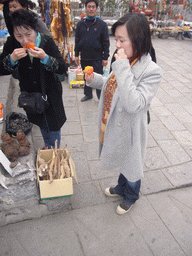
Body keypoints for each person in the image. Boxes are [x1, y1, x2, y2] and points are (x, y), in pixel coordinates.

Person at [84, 13, 162, 215]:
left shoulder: (151, 71)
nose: (116, 44)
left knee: (131, 164)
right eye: (115, 39)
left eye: (122, 40)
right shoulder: (124, 59)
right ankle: (121, 187)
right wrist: (93, 79)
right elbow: (112, 83)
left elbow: (134, 103)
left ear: (138, 39)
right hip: (115, 122)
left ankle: (131, 196)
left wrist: (121, 66)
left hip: (131, 130)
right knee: (122, 159)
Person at [1, 9, 67, 149]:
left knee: (54, 126)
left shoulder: (47, 41)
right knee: (41, 123)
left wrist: (45, 58)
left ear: (34, 30)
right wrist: (11, 59)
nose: (25, 40)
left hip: (51, 94)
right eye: (19, 36)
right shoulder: (12, 43)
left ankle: (53, 150)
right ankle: (47, 146)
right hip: (30, 96)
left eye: (28, 34)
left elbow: (62, 68)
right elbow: (1, 68)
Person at [74, 0, 110, 102]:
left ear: (96, 9)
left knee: (98, 77)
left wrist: (105, 57)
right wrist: (76, 55)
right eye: (89, 6)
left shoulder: (102, 25)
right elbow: (77, 41)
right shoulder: (80, 24)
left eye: (93, 7)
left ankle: (100, 96)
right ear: (85, 8)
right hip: (84, 56)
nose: (91, 9)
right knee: (87, 76)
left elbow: (106, 42)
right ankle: (88, 94)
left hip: (97, 57)